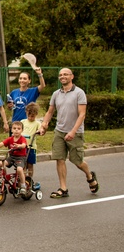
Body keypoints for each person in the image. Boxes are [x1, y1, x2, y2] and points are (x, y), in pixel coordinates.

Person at [39, 68, 99, 198]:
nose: (62, 76)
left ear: (72, 76)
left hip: (75, 133)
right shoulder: (56, 94)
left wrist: (73, 131)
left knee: (77, 161)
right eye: (60, 75)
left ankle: (89, 175)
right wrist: (44, 125)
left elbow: (82, 114)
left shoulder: (79, 93)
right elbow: (50, 112)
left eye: (65, 74)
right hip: (59, 131)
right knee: (59, 159)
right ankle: (63, 188)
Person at [0, 121, 29, 196]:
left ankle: (23, 185)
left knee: (19, 169)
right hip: (11, 157)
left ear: (22, 130)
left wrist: (19, 146)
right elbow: (2, 143)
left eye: (19, 128)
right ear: (11, 130)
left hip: (20, 158)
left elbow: (23, 145)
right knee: (0, 163)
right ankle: (4, 177)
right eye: (14, 128)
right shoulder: (10, 139)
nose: (16, 130)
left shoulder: (22, 139)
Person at [21, 102, 42, 180]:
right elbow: (18, 128)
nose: (30, 117)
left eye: (32, 116)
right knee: (23, 164)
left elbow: (41, 129)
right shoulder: (23, 121)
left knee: (30, 164)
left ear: (36, 114)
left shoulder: (37, 123)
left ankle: (29, 179)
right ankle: (22, 179)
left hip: (31, 147)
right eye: (29, 115)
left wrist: (39, 131)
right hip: (22, 146)